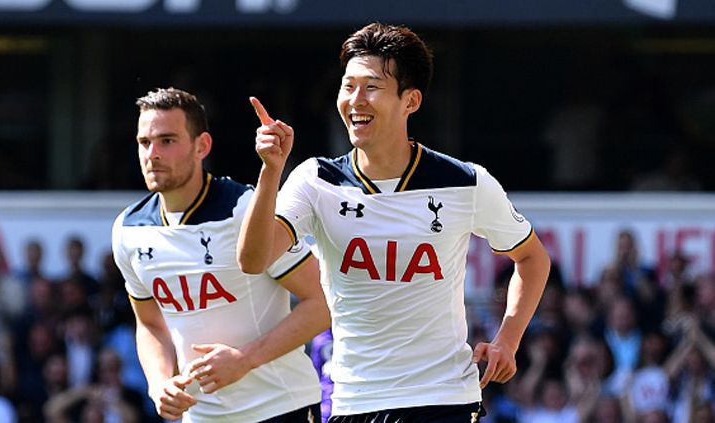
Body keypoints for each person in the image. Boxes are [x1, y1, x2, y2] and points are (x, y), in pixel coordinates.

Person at [237, 22, 551, 422]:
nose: (355, 100)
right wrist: (271, 172)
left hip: (444, 399)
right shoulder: (316, 180)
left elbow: (532, 259)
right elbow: (253, 259)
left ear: (411, 100)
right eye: (348, 86)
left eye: (371, 87)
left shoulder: (465, 181)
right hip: (354, 401)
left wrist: (508, 339)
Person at [111, 87, 328, 422]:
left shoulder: (244, 210)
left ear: (203, 146)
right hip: (202, 417)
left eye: (167, 140)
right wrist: (158, 383)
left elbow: (322, 302)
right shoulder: (128, 229)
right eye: (144, 142)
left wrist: (245, 359)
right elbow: (150, 323)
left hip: (282, 407)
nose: (152, 154)